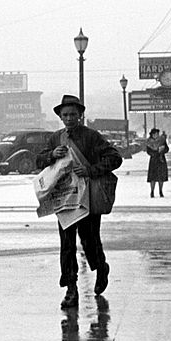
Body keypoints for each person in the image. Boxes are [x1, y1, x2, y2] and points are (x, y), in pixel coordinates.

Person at [36, 95, 123, 309]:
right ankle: (70, 289)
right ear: (60, 116)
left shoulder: (92, 137)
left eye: (73, 114)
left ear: (80, 115)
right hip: (64, 200)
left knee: (90, 241)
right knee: (66, 245)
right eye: (65, 115)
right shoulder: (56, 138)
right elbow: (39, 160)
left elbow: (115, 158)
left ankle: (101, 267)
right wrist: (51, 155)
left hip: (87, 198)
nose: (69, 118)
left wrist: (90, 170)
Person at [146, 128, 169, 198]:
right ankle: (152, 191)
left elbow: (167, 149)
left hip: (161, 159)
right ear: (152, 135)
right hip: (153, 160)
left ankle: (160, 191)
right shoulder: (149, 142)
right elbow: (148, 151)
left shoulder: (162, 140)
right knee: (153, 177)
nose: (156, 135)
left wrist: (163, 150)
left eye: (157, 134)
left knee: (161, 177)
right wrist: (154, 153)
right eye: (155, 134)